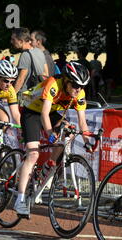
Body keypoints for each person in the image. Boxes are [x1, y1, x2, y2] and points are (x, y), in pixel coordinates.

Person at [14, 62, 93, 217]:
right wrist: (50, 133)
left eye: (82, 86)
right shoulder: (54, 84)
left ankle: (49, 165)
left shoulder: (80, 93)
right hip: (32, 112)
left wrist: (88, 142)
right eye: (76, 85)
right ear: (66, 80)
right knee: (33, 154)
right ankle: (20, 199)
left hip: (52, 113)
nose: (78, 89)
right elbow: (43, 114)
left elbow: (82, 122)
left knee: (68, 130)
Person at [10, 27, 48, 94]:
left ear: (21, 41)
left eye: (13, 39)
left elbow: (21, 79)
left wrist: (11, 95)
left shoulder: (25, 55)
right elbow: (46, 74)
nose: (11, 42)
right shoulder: (40, 52)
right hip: (37, 92)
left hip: (25, 95)